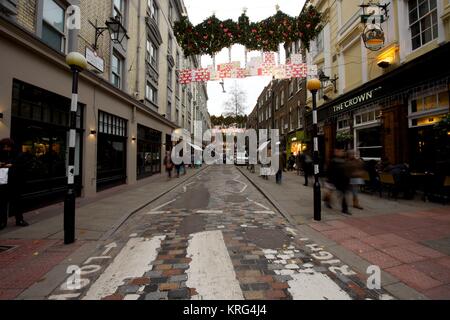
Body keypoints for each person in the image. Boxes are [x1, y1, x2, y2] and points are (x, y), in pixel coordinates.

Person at [0, 138, 29, 230]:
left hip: (15, 182)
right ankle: (2, 222)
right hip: (2, 183)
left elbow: (23, 167)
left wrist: (12, 166)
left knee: (17, 202)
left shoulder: (18, 155)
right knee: (2, 203)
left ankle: (19, 219)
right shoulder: (0, 154)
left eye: (7, 147)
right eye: (4, 147)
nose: (6, 149)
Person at [326, 149, 351, 214]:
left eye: (342, 152)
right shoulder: (333, 161)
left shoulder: (344, 160)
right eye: (340, 152)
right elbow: (329, 171)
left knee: (343, 194)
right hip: (334, 180)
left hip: (342, 181)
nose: (341, 153)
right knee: (331, 193)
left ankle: (344, 209)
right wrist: (329, 180)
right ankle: (327, 201)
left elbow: (346, 171)